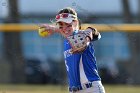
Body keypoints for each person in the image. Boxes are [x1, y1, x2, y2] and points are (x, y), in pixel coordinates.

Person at [38, 7, 105, 93]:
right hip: (74, 90)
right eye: (61, 26)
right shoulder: (67, 40)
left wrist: (88, 37)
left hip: (91, 89)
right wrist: (53, 29)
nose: (64, 28)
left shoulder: (80, 36)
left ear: (76, 22)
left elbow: (94, 32)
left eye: (68, 24)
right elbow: (65, 30)